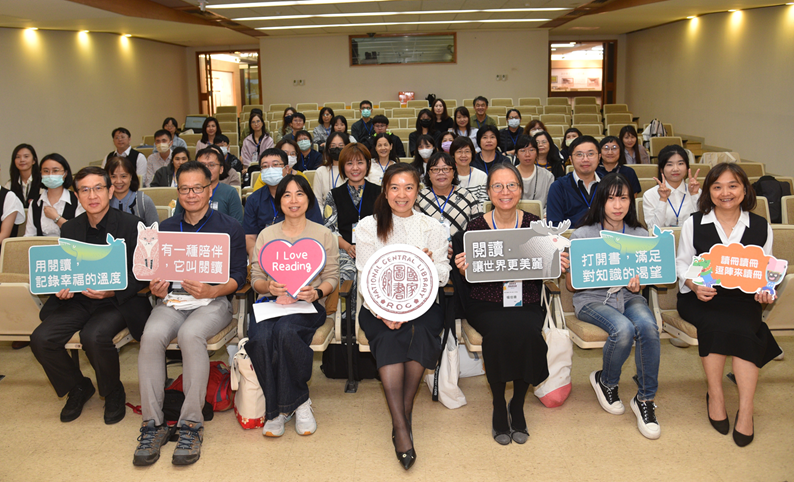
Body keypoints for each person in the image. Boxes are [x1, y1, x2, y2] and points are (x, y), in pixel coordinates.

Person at [134, 161, 246, 466]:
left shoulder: (229, 227)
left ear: (210, 189)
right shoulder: (166, 228)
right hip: (172, 301)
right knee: (151, 335)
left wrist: (212, 291)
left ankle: (191, 425)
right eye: (184, 189)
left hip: (213, 302)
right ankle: (153, 425)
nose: (191, 194)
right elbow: (154, 273)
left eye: (198, 187)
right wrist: (157, 286)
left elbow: (239, 276)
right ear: (178, 191)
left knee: (190, 334)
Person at [454, 162, 569, 446]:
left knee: (528, 332)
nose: (505, 191)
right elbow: (471, 276)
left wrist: (559, 262)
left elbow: (547, 267)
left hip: (526, 299)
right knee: (501, 332)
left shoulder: (536, 226)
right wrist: (463, 267)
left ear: (520, 189)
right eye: (498, 186)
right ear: (489, 192)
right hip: (486, 302)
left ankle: (517, 404)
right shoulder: (476, 227)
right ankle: (497, 403)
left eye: (511, 185)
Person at [30, 166, 151, 425]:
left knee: (93, 336)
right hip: (80, 298)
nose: (92, 195)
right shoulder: (71, 228)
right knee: (41, 338)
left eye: (98, 188)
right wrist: (62, 288)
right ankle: (78, 386)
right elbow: (67, 269)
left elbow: (145, 273)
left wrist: (113, 289)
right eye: (85, 190)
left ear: (110, 191)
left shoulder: (131, 225)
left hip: (117, 301)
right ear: (77, 194)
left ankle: (112, 390)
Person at [676, 163, 782, 447]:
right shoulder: (694, 222)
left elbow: (767, 268)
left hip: (743, 299)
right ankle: (716, 394)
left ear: (745, 189)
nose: (725, 193)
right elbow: (682, 263)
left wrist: (765, 290)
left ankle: (746, 409)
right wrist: (693, 285)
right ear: (708, 191)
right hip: (701, 297)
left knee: (747, 328)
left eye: (733, 185)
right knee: (715, 323)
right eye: (717, 186)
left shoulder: (760, 226)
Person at [356, 163, 451, 470]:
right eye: (394, 187)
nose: (401, 194)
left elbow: (444, 275)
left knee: (421, 332)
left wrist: (426, 262)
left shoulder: (432, 227)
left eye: (408, 187)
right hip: (377, 308)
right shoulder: (369, 226)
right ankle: (401, 427)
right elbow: (364, 275)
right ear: (385, 191)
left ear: (417, 191)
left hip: (423, 306)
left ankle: (403, 410)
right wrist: (382, 313)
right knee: (388, 335)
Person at [568, 173, 661, 440]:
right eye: (611, 199)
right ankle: (606, 382)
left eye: (623, 198)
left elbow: (644, 279)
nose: (617, 205)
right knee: (623, 329)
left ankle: (645, 400)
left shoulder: (640, 234)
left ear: (631, 201)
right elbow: (572, 285)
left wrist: (637, 286)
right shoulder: (583, 234)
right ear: (601, 202)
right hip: (592, 300)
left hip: (629, 298)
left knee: (648, 327)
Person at [246, 174, 339, 439]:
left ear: (309, 199)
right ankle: (283, 408)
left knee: (286, 332)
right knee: (261, 337)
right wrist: (269, 287)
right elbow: (256, 279)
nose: (293, 200)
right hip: (270, 305)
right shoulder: (267, 235)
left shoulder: (323, 234)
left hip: (307, 306)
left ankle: (292, 405)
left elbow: (332, 276)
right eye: (286, 194)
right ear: (279, 201)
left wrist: (317, 292)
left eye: (299, 193)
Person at [323, 143, 380, 314]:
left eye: (360, 162)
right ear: (342, 167)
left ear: (368, 165)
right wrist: (347, 246)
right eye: (349, 163)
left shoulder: (381, 193)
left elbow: (386, 226)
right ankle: (346, 320)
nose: (355, 168)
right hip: (344, 249)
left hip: (374, 249)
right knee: (346, 273)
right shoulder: (334, 195)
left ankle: (372, 316)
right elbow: (330, 229)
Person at [244, 149, 323, 257]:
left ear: (286, 168)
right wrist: (256, 257)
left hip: (302, 253)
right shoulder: (253, 199)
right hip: (266, 254)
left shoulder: (303, 196)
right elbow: (250, 237)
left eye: (275, 165)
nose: (270, 169)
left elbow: (317, 230)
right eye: (265, 166)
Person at [416, 152, 483, 237]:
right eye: (436, 169)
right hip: (428, 249)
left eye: (446, 169)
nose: (441, 173)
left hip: (461, 248)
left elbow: (479, 229)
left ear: (454, 173)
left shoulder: (468, 196)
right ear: (429, 174)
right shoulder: (419, 198)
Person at [174, 147, 243, 225]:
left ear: (221, 169)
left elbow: (237, 224)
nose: (206, 169)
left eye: (211, 165)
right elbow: (176, 222)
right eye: (202, 165)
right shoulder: (187, 192)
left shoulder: (230, 192)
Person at [642, 144, 701, 229]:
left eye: (680, 163)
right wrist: (662, 200)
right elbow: (653, 229)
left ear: (687, 167)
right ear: (661, 169)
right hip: (663, 240)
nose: (675, 169)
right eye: (670, 164)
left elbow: (703, 223)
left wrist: (694, 195)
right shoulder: (650, 195)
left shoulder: (697, 192)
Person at [546, 136, 601, 226]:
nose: (585, 159)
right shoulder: (558, 187)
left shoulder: (609, 184)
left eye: (590, 154)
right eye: (579, 155)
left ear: (599, 157)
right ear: (571, 159)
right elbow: (554, 225)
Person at [25, 153, 85, 236]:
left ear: (65, 173)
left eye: (55, 171)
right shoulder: (35, 203)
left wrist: (56, 218)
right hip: (42, 248)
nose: (50, 175)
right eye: (46, 171)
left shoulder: (77, 200)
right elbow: (29, 236)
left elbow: (80, 233)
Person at [106, 156, 158, 226]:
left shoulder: (144, 201)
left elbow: (155, 233)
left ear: (130, 177)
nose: (118, 181)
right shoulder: (103, 201)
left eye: (123, 176)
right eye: (113, 177)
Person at [313, 132, 350, 211]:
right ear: (328, 149)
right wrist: (327, 218)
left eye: (341, 146)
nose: (337, 148)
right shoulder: (320, 171)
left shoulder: (353, 170)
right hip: (326, 216)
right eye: (333, 146)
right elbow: (317, 201)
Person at [514, 135, 554, 208]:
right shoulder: (509, 175)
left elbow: (551, 204)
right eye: (522, 150)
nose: (527, 154)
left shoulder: (548, 176)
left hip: (541, 217)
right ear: (517, 155)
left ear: (537, 153)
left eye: (531, 150)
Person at [451, 136, 488, 204]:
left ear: (472, 154)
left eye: (467, 151)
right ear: (453, 154)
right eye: (459, 152)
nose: (463, 155)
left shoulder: (482, 176)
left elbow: (483, 204)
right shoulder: (448, 176)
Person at [7, 143, 42, 207]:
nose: (22, 160)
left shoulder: (43, 183)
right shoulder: (9, 185)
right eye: (18, 157)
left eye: (26, 156)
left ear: (34, 160)